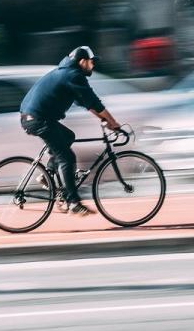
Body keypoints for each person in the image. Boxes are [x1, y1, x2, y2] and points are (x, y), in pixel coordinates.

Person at [20, 46, 123, 217]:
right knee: (67, 157)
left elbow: (86, 102)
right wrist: (112, 122)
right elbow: (94, 102)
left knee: (69, 136)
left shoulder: (67, 73)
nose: (93, 66)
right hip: (37, 119)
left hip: (37, 117)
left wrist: (104, 119)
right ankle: (74, 202)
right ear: (82, 61)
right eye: (92, 62)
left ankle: (48, 175)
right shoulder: (73, 75)